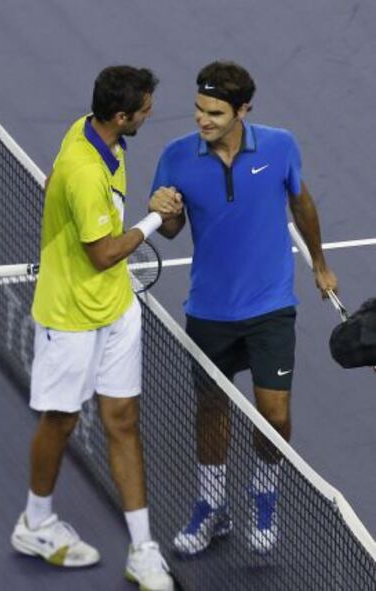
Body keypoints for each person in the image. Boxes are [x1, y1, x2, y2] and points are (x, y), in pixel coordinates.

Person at [149, 60, 338, 555]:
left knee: (274, 416)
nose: (201, 120)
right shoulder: (175, 157)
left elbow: (302, 204)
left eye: (214, 112)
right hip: (209, 310)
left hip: (271, 306)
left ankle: (263, 494)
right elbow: (172, 230)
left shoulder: (280, 146)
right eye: (198, 109)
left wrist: (319, 263)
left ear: (242, 110)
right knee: (211, 409)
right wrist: (163, 213)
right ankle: (212, 506)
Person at [11, 65, 181, 591]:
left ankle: (143, 548)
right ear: (121, 115)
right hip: (71, 318)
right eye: (144, 110)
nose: (150, 114)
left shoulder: (92, 132)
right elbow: (105, 253)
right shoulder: (86, 170)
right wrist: (152, 218)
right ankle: (35, 523)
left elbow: (53, 185)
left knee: (123, 419)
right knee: (60, 422)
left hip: (115, 309)